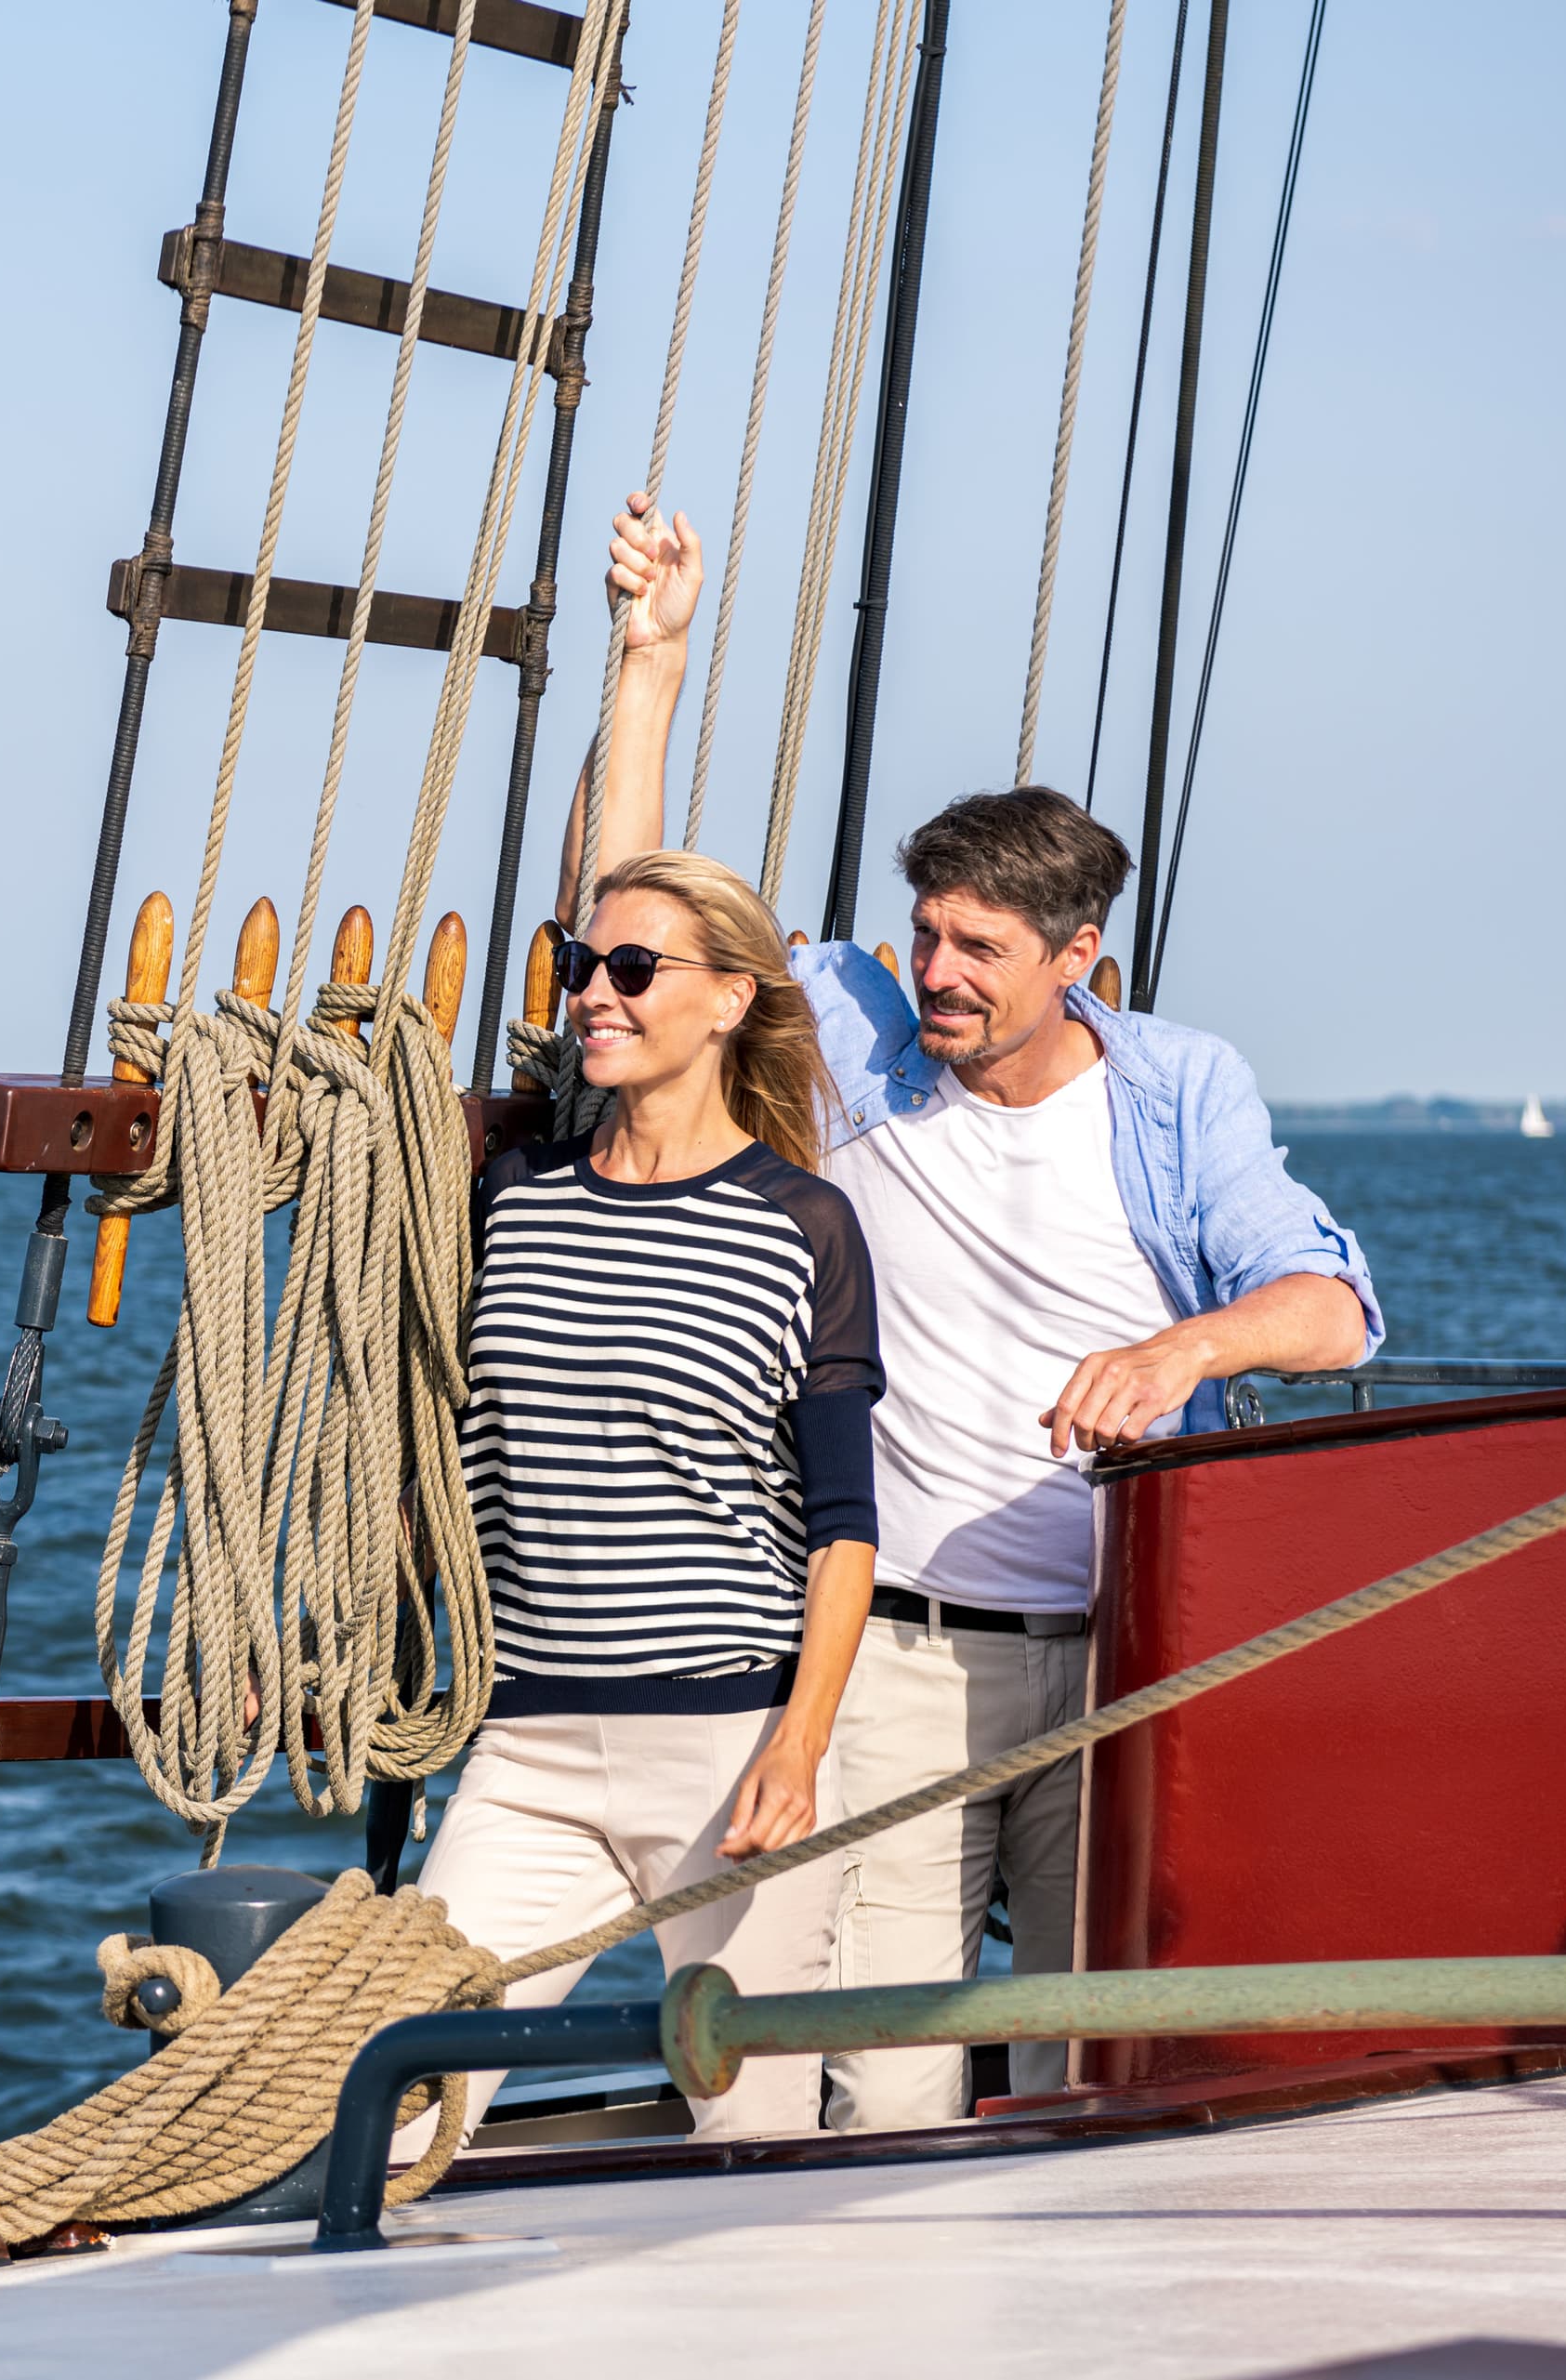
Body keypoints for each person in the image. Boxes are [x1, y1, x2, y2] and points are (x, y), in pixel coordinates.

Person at [574, 492, 1381, 2129]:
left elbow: (1336, 1310)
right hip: (896, 1656)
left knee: (1102, 2058)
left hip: (1121, 1665)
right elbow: (642, 926)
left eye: (980, 949)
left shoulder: (1177, 1092)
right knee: (893, 2079)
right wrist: (646, 666)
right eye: (927, 932)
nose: (938, 971)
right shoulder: (864, 1037)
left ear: (1077, 955)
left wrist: (1187, 1346)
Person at [400, 845, 881, 2151]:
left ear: (731, 999)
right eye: (578, 966)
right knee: (399, 2103)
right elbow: (435, 1451)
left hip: (732, 1751)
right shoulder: (513, 1196)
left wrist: (799, 1740)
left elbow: (844, 1528)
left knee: (752, 2138)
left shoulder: (805, 1226)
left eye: (631, 968)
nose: (594, 995)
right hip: (528, 1746)